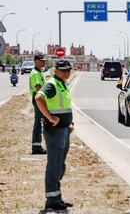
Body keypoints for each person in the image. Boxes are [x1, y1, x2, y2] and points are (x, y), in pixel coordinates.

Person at [35, 59, 74, 211]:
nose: (66, 73)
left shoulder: (63, 84)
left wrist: (69, 124)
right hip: (54, 131)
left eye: (68, 70)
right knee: (54, 165)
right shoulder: (52, 84)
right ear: (56, 71)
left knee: (60, 165)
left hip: (64, 130)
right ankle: (51, 199)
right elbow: (38, 97)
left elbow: (64, 106)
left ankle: (57, 196)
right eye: (63, 70)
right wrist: (50, 118)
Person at [29, 54, 47, 154]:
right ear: (36, 61)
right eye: (41, 60)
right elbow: (38, 88)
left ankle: (37, 146)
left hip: (40, 98)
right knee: (38, 123)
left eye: (44, 60)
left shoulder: (40, 72)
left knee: (40, 123)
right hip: (38, 98)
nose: (43, 62)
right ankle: (36, 147)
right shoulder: (35, 73)